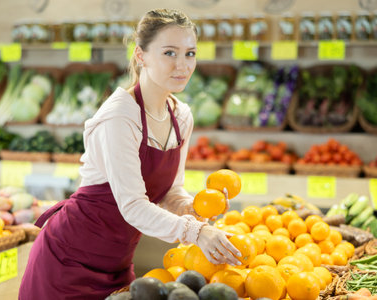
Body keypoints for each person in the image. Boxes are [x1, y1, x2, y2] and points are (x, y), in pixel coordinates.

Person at [19, 8, 241, 300]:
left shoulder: (181, 116)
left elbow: (169, 191)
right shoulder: (120, 116)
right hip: (68, 260)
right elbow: (133, 205)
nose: (183, 65)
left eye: (190, 53)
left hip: (117, 263)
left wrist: (191, 208)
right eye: (169, 53)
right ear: (141, 55)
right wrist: (195, 233)